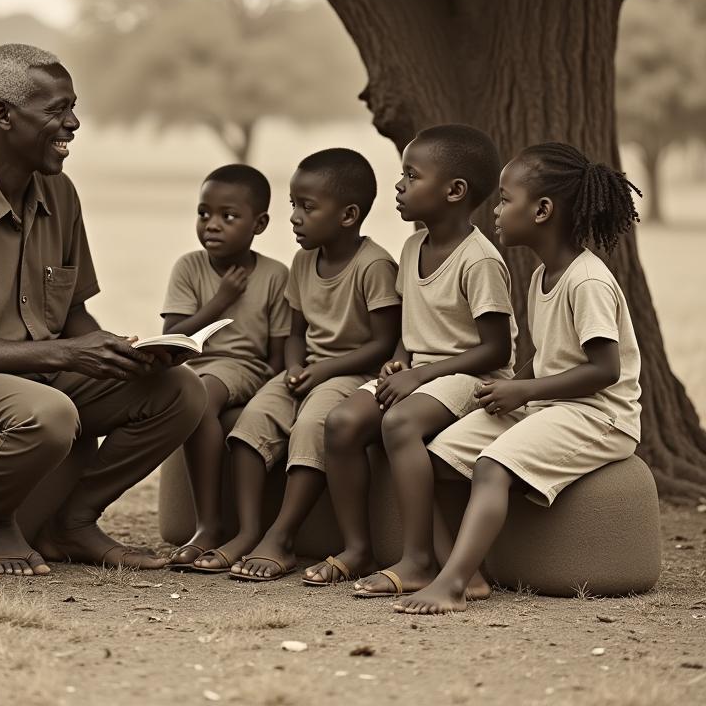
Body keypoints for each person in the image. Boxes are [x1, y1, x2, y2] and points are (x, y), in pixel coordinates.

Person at [0, 44, 206, 575]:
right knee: (49, 414)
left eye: (73, 107)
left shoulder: (60, 191)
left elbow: (72, 310)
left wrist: (126, 354)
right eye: (57, 110)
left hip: (41, 368)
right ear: (2, 115)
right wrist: (69, 353)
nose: (74, 123)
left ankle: (73, 522)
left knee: (180, 391)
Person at [395, 142, 643, 615]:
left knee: (490, 467)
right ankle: (472, 577)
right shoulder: (541, 275)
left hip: (600, 417)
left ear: (543, 210)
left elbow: (605, 370)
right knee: (439, 460)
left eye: (506, 200)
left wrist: (523, 389)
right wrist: (514, 389)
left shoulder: (586, 280)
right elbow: (550, 356)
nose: (496, 210)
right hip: (552, 404)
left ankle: (449, 585)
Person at [322, 125, 516, 596]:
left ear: (454, 191)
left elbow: (497, 350)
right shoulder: (412, 247)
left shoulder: (479, 261)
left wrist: (422, 374)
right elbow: (411, 332)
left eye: (412, 175)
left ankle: (418, 560)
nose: (399, 185)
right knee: (342, 423)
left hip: (471, 375)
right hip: (422, 373)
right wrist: (397, 362)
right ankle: (356, 547)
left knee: (400, 424)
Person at [190, 148, 401, 581]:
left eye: (307, 207)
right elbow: (296, 330)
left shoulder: (374, 265)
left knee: (312, 426)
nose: (294, 217)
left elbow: (385, 343)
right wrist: (291, 366)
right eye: (293, 205)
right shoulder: (303, 262)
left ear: (347, 215)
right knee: (254, 421)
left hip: (353, 374)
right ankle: (249, 532)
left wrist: (323, 370)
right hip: (307, 370)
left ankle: (282, 538)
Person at [161, 164, 291, 570]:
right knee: (189, 389)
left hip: (244, 368)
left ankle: (209, 526)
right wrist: (218, 302)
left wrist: (269, 392)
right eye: (204, 214)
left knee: (199, 393)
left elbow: (277, 352)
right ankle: (208, 525)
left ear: (260, 223)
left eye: (228, 217)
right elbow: (172, 336)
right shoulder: (188, 267)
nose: (211, 225)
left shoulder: (274, 275)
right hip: (192, 364)